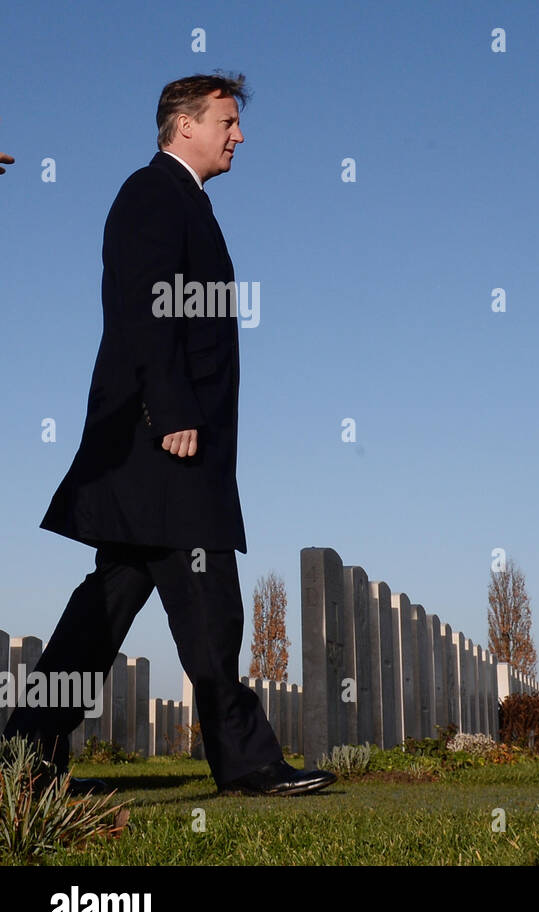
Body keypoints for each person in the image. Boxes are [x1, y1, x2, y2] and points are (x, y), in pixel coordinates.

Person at [2, 74, 335, 797]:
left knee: (103, 612)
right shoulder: (152, 193)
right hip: (163, 444)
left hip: (154, 452)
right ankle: (248, 764)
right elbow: (144, 308)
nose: (238, 135)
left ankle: (21, 754)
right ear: (184, 125)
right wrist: (175, 411)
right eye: (227, 120)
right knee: (211, 601)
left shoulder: (184, 200)